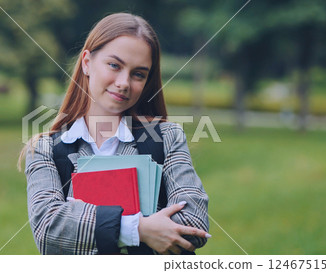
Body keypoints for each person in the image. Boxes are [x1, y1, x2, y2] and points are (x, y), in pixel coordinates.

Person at [18, 12, 210, 255]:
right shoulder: (44, 149)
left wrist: (85, 222)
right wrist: (139, 228)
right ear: (87, 62)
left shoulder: (167, 137)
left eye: (138, 74)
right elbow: (49, 229)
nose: (124, 82)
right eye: (114, 65)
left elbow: (194, 224)